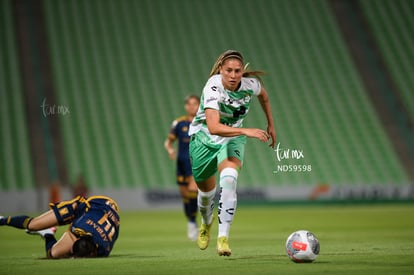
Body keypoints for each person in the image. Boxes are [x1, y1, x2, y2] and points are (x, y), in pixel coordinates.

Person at [189, 50, 276, 256]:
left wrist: (270, 124)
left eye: (237, 71)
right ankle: (206, 222)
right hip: (204, 139)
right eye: (229, 70)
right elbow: (213, 127)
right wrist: (247, 130)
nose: (233, 75)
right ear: (221, 70)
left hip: (232, 138)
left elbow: (264, 96)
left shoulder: (250, 85)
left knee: (229, 178)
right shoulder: (212, 86)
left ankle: (223, 238)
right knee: (205, 194)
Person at [0, 195, 120, 258]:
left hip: (110, 214)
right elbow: (73, 230)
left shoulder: (104, 250)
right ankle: (2, 220)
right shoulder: (78, 226)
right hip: (92, 205)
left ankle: (47, 232)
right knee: (32, 225)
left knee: (53, 254)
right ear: (76, 238)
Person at [164, 95, 200, 241]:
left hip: (196, 163)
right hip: (181, 164)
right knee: (185, 196)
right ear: (186, 106)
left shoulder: (204, 122)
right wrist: (170, 150)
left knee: (193, 190)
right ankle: (191, 221)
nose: (192, 107)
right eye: (189, 104)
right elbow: (168, 142)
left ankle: (195, 222)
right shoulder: (179, 123)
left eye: (195, 104)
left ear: (199, 105)